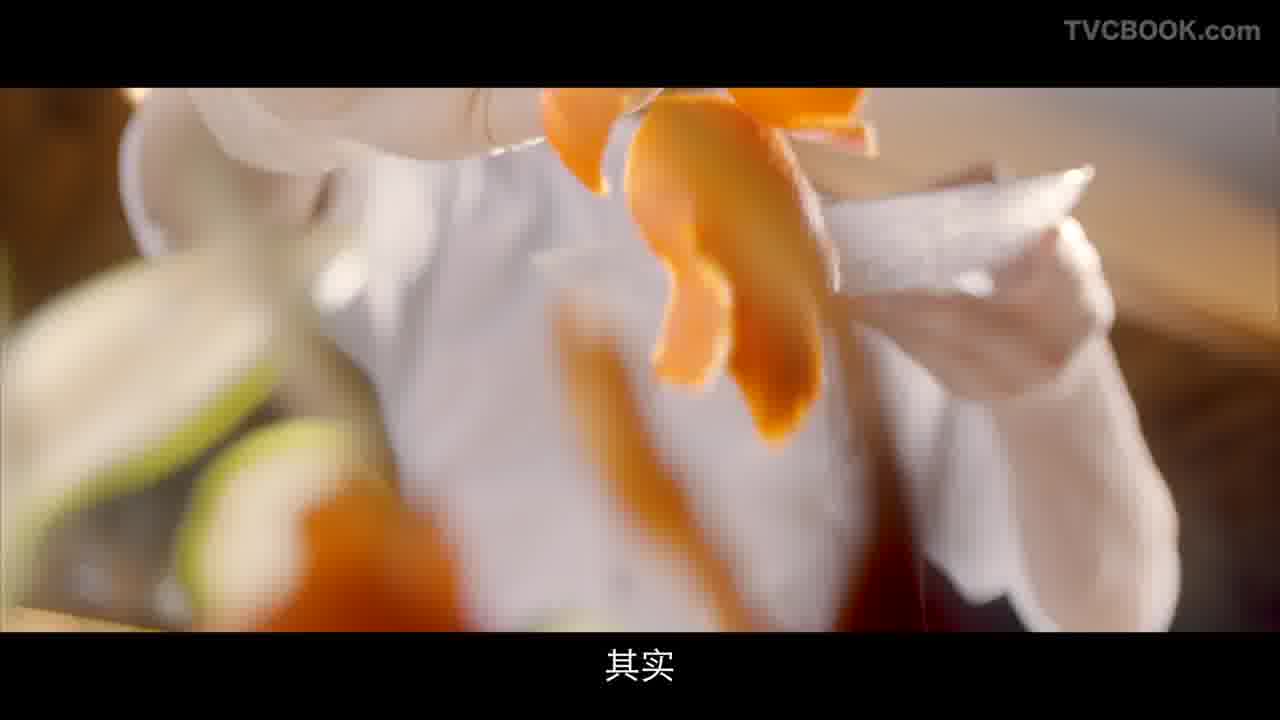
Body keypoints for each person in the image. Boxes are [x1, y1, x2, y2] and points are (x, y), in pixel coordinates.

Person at [119, 88, 1181, 632]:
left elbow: (1115, 603)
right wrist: (276, 122)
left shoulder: (907, 204)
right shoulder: (483, 145)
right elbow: (205, 212)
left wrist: (1057, 393)